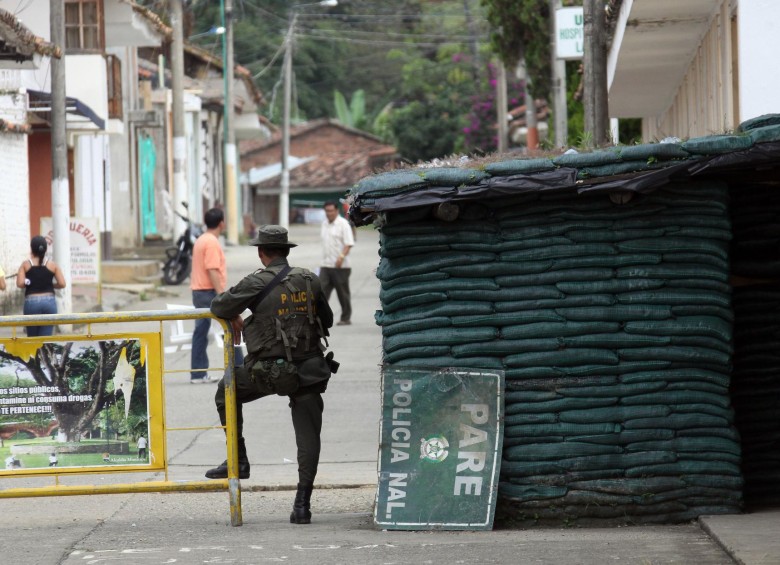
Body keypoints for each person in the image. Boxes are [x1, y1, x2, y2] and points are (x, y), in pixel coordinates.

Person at [206, 225, 336, 525]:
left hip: (269, 373)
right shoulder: (309, 279)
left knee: (226, 388)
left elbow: (219, 305)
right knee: (308, 437)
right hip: (310, 369)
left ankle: (237, 459)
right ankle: (302, 506)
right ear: (287, 251)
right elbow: (327, 319)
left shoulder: (257, 281)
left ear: (261, 253)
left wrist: (238, 313)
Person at [190, 208, 244, 383]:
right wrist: (221, 294)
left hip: (199, 291)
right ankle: (239, 368)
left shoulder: (201, 240)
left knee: (201, 331)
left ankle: (198, 373)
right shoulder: (211, 242)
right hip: (209, 291)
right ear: (222, 223)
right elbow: (212, 269)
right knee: (230, 326)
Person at [16, 235, 66, 336]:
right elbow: (62, 284)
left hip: (31, 303)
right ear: (45, 249)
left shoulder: (25, 265)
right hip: (49, 302)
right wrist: (51, 285)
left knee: (32, 340)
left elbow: (20, 283)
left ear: (32, 249)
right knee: (46, 340)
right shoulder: (52, 265)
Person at [320, 201, 355, 326]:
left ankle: (345, 317)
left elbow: (349, 243)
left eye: (331, 211)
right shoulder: (324, 224)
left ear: (336, 211)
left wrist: (341, 257)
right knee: (321, 292)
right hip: (326, 265)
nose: (329, 213)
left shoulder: (343, 224)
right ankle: (321, 318)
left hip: (341, 266)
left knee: (342, 293)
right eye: (327, 211)